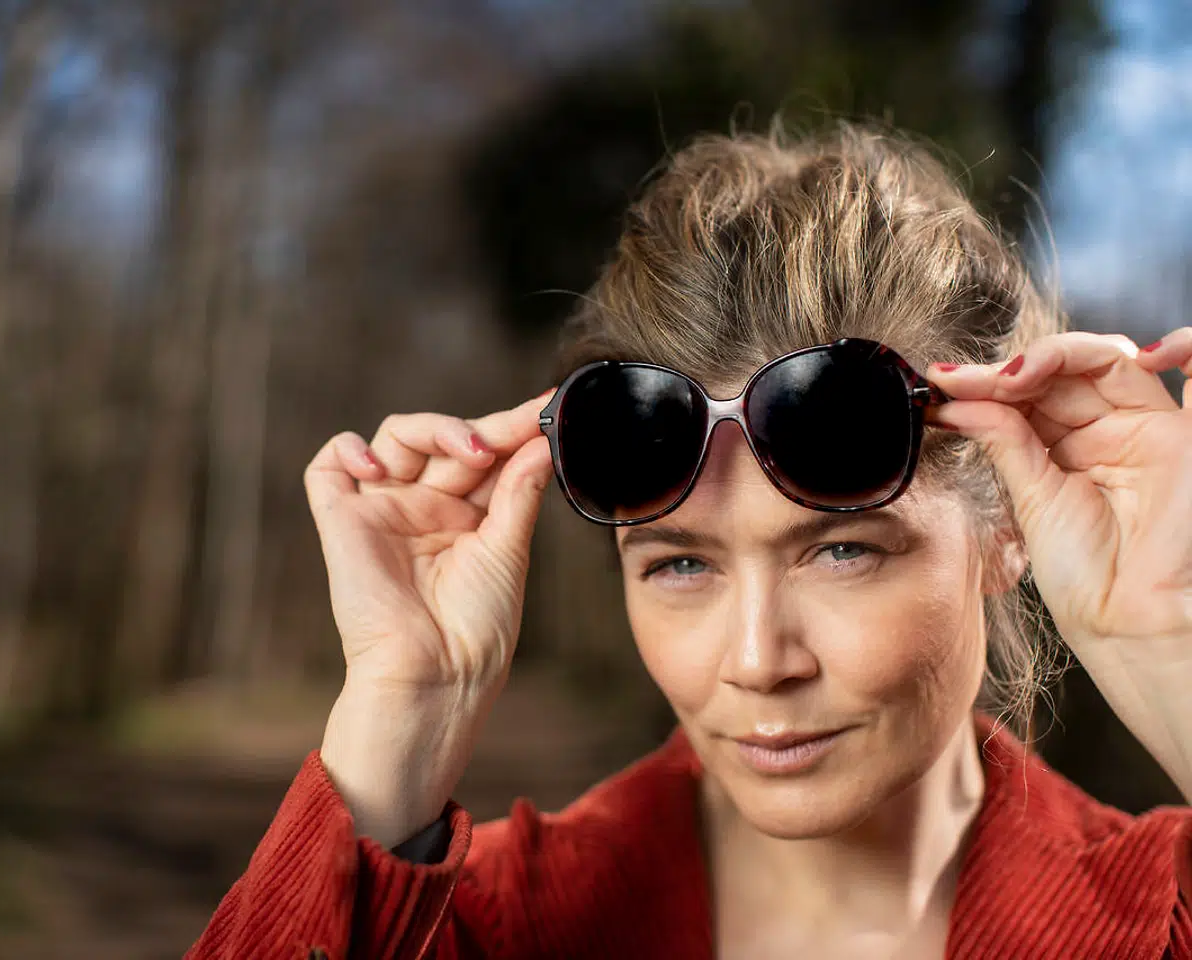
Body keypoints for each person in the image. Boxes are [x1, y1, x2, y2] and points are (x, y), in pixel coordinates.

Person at [184, 123, 1192, 960]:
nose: (756, 661)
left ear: (1007, 526)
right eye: (681, 564)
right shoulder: (484, 929)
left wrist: (1169, 645)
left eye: (841, 551)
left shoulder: (1161, 920)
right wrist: (404, 706)